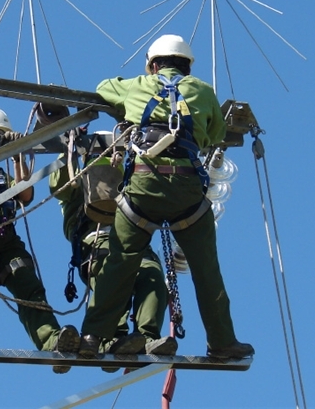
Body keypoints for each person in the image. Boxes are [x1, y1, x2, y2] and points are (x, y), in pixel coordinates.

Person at [78, 34, 254, 360]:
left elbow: (104, 87)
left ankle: (92, 337)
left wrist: (129, 109)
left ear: (154, 65)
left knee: (118, 263)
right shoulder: (203, 91)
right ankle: (222, 342)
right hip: (188, 194)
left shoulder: (137, 85)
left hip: (143, 189)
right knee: (207, 271)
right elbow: (215, 135)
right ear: (187, 66)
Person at [0, 104, 79, 374]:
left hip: (5, 236)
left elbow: (25, 195)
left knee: (28, 284)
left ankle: (53, 341)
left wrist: (18, 154)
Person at [48, 137, 178, 361]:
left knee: (152, 275)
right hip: (96, 242)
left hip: (133, 241)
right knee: (112, 271)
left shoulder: (126, 180)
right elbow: (59, 185)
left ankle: (146, 339)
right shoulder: (77, 183)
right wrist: (68, 151)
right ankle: (110, 339)